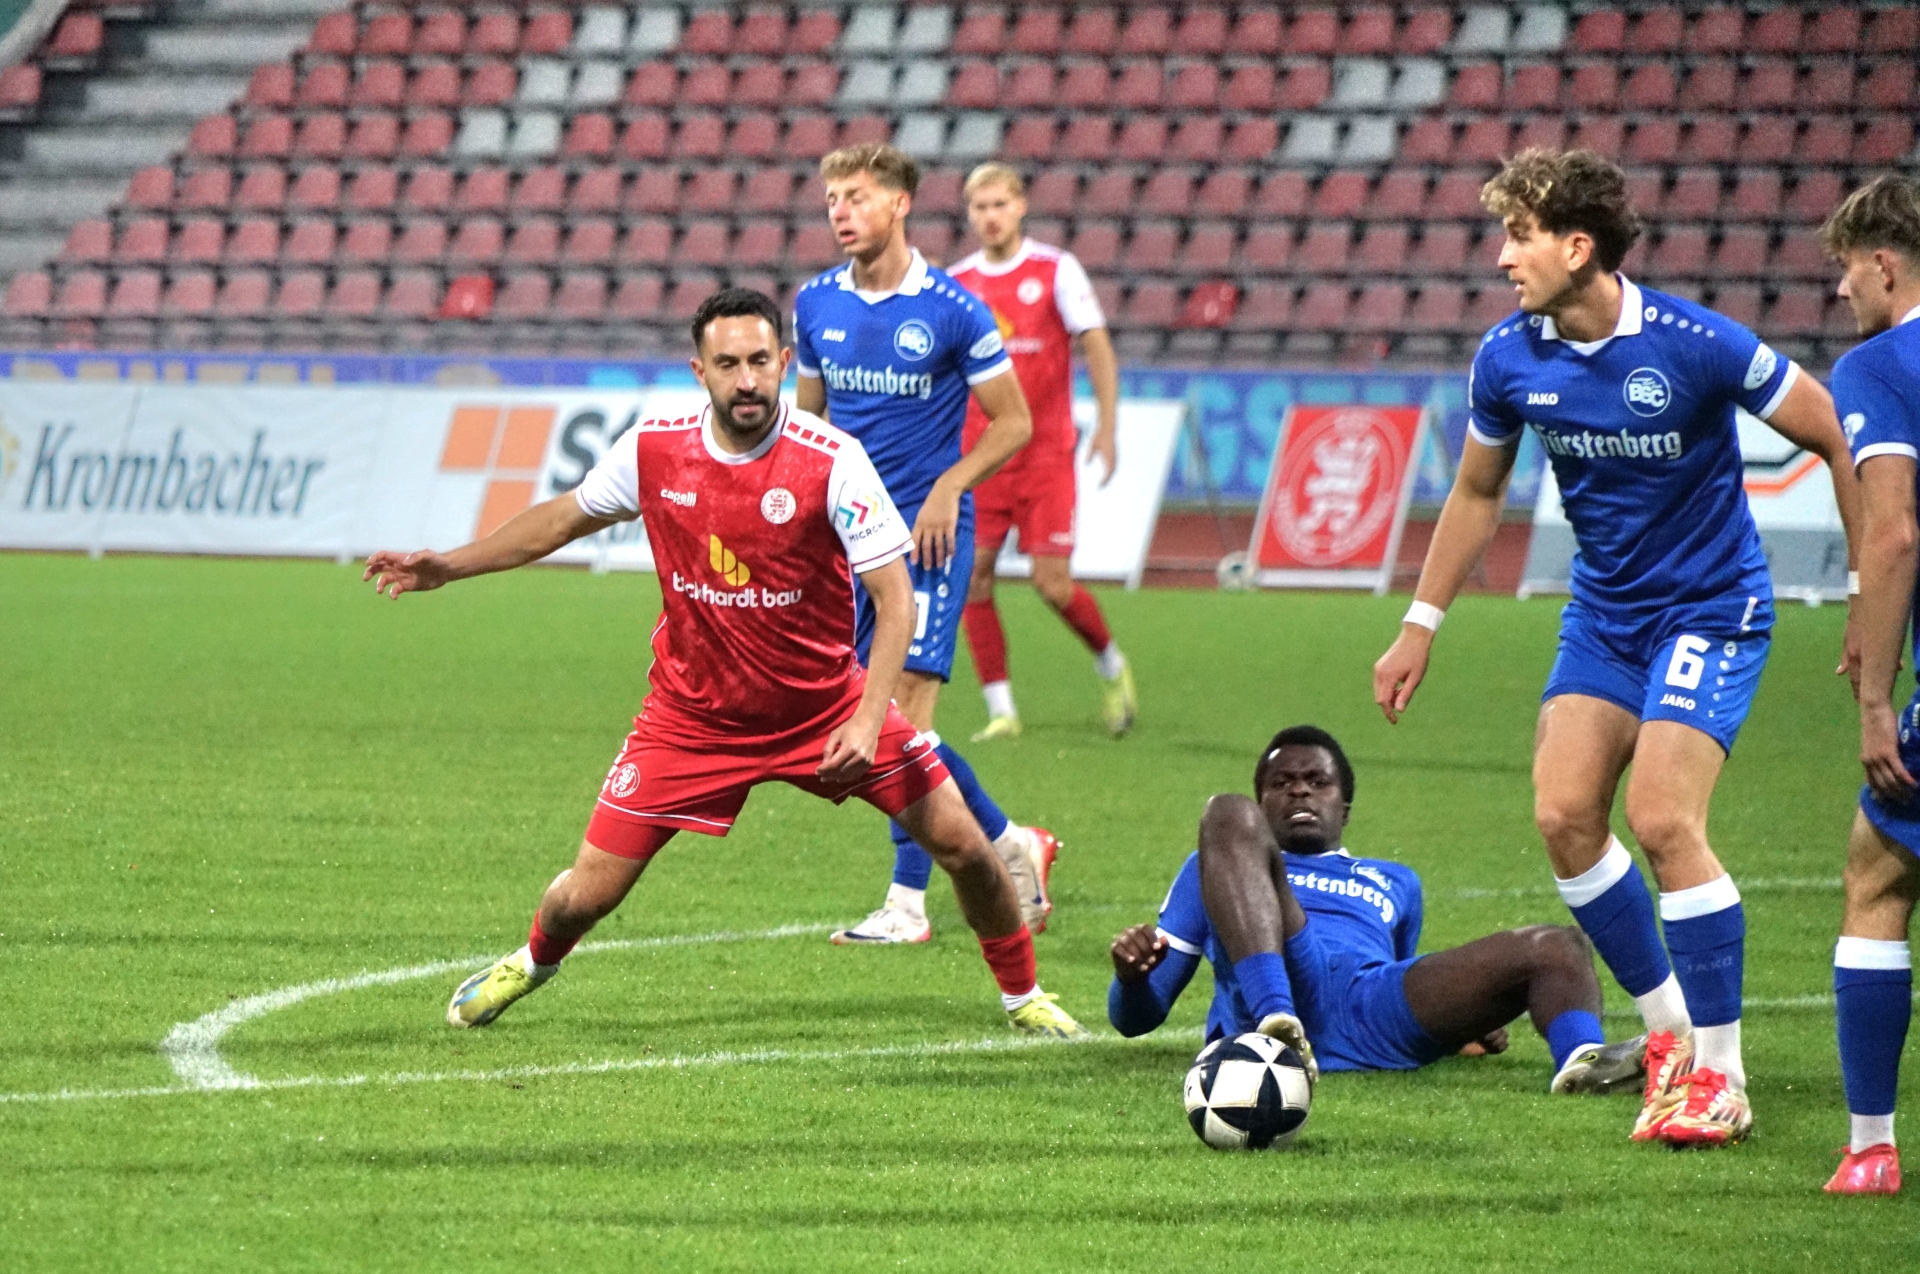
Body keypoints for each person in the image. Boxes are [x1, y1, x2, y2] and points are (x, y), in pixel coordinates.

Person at [361, 289, 1086, 1041]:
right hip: (691, 719)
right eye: (729, 364)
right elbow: (563, 518)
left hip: (825, 709)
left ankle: (1024, 997)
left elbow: (895, 600)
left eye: (761, 362)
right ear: (699, 371)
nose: (747, 380)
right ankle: (531, 963)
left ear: (785, 363)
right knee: (586, 896)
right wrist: (451, 565)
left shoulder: (832, 460)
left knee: (966, 847)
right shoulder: (654, 449)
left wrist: (870, 718)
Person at [1372, 147, 1862, 1147]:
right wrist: (1420, 623)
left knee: (1663, 818)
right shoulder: (1508, 358)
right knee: (1563, 814)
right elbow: (1476, 492)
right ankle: (1669, 1031)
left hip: (1710, 610)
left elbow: (1833, 434)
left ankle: (1723, 1074)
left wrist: (1866, 596)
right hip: (1605, 615)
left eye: (1520, 236)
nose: (1502, 257)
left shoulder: (1697, 344)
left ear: (1577, 247)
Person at [793, 143, 1058, 945]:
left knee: (901, 717)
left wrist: (950, 485)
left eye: (857, 197)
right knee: (873, 722)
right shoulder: (815, 304)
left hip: (928, 538)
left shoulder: (952, 309)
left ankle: (907, 905)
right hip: (852, 540)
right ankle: (1010, 840)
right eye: (833, 199)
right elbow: (808, 425)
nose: (841, 212)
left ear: (901, 203)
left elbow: (1014, 421)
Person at [1108, 726, 1646, 1094]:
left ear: (1343, 807)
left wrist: (1458, 1027)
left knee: (1556, 945)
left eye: (1317, 782)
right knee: (1223, 810)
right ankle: (1278, 1023)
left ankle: (1584, 1062)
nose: (1299, 791)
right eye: (1281, 783)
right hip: (1287, 980)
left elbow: (1402, 971)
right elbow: (1137, 1018)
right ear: (1262, 806)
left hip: (1369, 1001)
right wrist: (1131, 981)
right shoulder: (1217, 865)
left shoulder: (1396, 880)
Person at [948, 162, 1136, 741]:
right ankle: (1001, 710)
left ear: (1020, 206)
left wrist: (1106, 425)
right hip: (983, 456)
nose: (990, 216)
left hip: (1045, 453)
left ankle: (1111, 664)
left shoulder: (1055, 269)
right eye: (980, 207)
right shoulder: (957, 281)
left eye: (999, 204)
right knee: (972, 579)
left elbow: (1097, 345)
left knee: (1051, 583)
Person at [1820, 174, 1920, 1195]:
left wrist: (1878, 701)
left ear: (1885, 264)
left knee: (1879, 874)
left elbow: (1892, 532)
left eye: (1847, 269)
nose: (1841, 289)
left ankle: (1870, 1147)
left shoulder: (1881, 366)